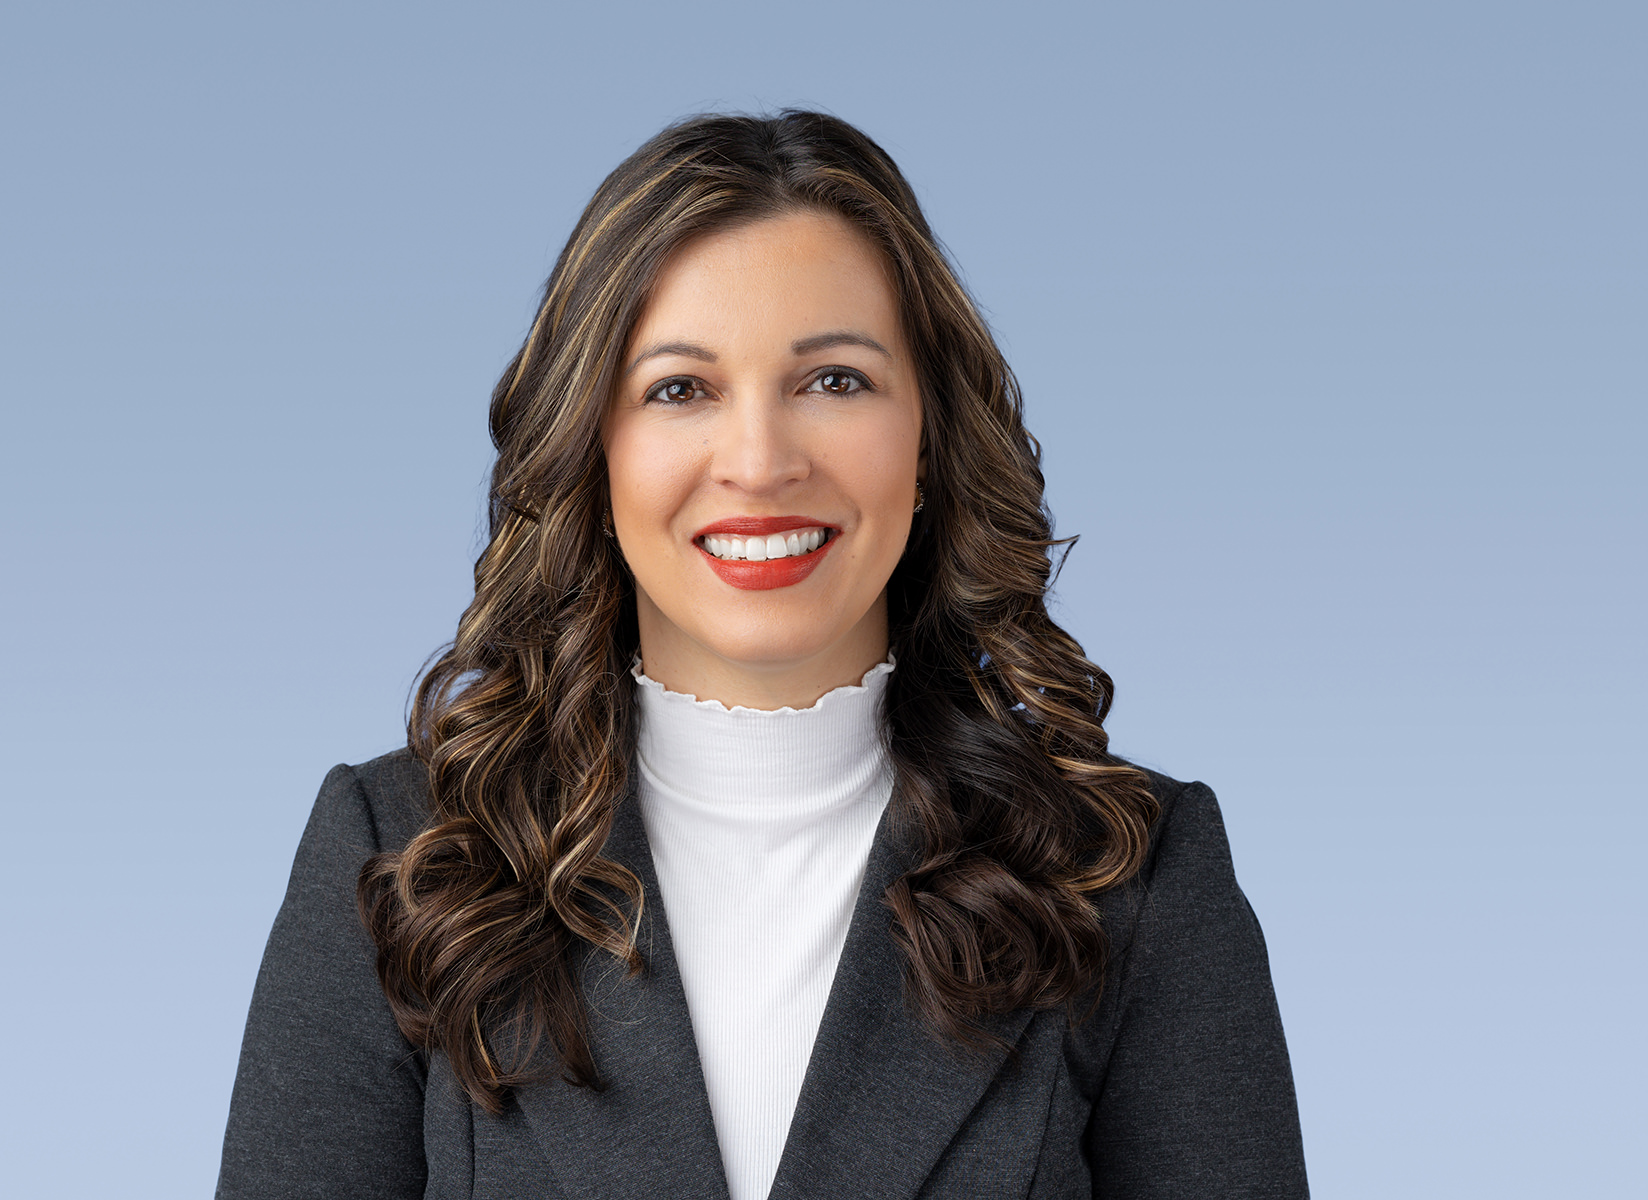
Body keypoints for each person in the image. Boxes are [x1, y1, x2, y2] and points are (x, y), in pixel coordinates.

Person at [216, 110, 1308, 1199]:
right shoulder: (405, 860)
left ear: (927, 439)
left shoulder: (1131, 879)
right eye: (680, 389)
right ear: (593, 449)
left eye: (833, 380)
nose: (758, 461)